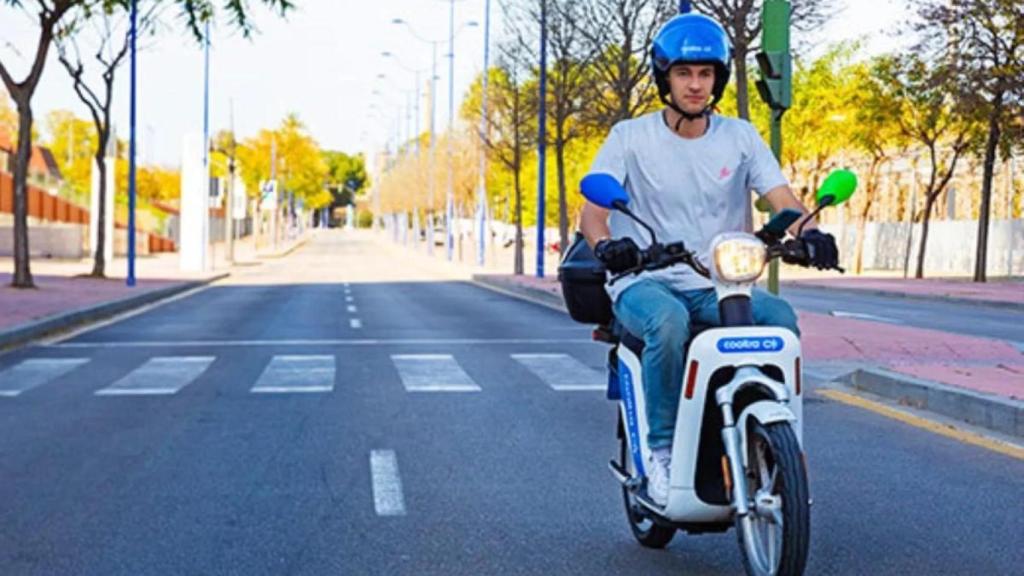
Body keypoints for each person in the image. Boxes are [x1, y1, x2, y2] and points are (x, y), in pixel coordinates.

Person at [579, 12, 838, 506]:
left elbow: (783, 200)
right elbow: (592, 216)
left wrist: (812, 232)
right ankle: (659, 451)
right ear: (664, 78)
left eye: (705, 74)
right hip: (644, 281)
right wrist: (609, 247)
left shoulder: (740, 137)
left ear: (718, 78)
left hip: (719, 281)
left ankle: (771, 434)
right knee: (668, 322)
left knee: (779, 318)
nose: (696, 85)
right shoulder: (630, 137)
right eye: (684, 74)